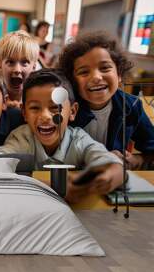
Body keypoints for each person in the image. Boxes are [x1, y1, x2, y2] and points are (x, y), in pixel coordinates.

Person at [0, 69, 123, 202]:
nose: (44, 116)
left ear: (72, 111)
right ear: (24, 113)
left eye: (56, 108)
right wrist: (52, 188)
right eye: (35, 108)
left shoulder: (79, 140)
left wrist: (104, 179)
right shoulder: (22, 139)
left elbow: (116, 169)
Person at [59, 32, 154, 170]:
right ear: (72, 81)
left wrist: (135, 160)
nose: (97, 77)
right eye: (84, 72)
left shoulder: (131, 105)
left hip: (111, 180)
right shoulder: (65, 108)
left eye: (104, 68)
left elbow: (151, 148)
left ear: (119, 74)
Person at [0, 30, 40, 108]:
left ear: (34, 67)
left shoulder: (39, 100)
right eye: (10, 62)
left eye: (24, 62)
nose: (17, 70)